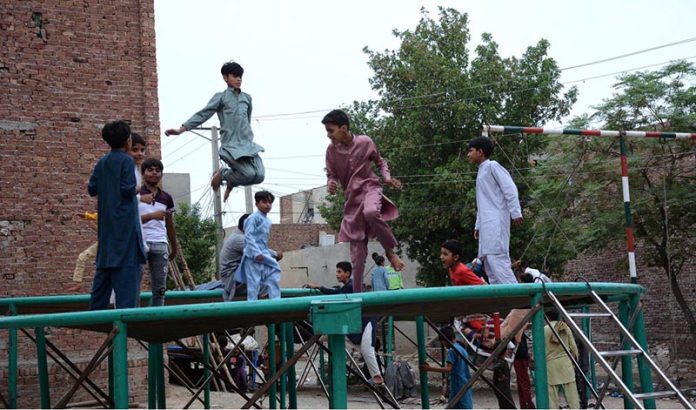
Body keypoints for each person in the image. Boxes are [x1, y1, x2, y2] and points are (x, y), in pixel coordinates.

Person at [322, 109, 404, 293]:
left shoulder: (365, 142)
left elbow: (380, 162)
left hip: (370, 189)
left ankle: (390, 252)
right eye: (327, 131)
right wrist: (332, 183)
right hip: (351, 200)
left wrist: (387, 177)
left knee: (371, 212)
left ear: (344, 128)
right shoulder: (331, 151)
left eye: (331, 131)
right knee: (357, 255)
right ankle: (358, 300)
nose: (329, 136)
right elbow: (331, 174)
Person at [165, 61, 264, 202]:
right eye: (235, 76)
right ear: (225, 77)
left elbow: (247, 120)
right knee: (248, 174)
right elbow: (203, 114)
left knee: (259, 176)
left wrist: (248, 138)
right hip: (231, 146)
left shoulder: (247, 98)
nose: (238, 79)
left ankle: (230, 181)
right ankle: (223, 174)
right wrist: (182, 129)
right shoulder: (221, 97)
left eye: (240, 76)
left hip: (248, 145)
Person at [68, 133, 151, 294]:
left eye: (142, 150)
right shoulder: (124, 165)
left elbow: (95, 190)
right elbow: (124, 193)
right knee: (122, 278)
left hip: (119, 231)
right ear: (127, 145)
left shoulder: (110, 164)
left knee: (109, 275)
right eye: (135, 150)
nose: (139, 153)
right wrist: (139, 194)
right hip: (122, 232)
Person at [87, 120, 146, 309]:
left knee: (103, 275)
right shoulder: (126, 161)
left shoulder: (102, 162)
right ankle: (123, 327)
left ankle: (97, 317)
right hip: (125, 227)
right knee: (128, 287)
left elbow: (92, 189)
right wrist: (140, 188)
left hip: (106, 229)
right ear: (128, 140)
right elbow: (127, 189)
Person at [306, 262, 383, 385]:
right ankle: (376, 376)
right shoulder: (347, 286)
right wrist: (321, 288)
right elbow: (337, 292)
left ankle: (377, 376)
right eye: (337, 271)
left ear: (347, 273)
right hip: (359, 322)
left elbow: (337, 294)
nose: (337, 274)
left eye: (339, 272)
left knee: (367, 349)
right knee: (358, 344)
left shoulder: (351, 286)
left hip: (368, 320)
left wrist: (320, 287)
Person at [467, 136, 523, 285]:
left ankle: (519, 301)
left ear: (480, 152)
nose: (468, 154)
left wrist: (515, 212)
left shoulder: (493, 166)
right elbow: (482, 203)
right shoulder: (481, 172)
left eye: (471, 151)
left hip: (495, 222)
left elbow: (510, 188)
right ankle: (504, 305)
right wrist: (478, 226)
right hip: (486, 224)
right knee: (489, 265)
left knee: (497, 260)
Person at [138, 158, 177, 307]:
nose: (154, 172)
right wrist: (151, 216)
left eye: (157, 170)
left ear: (161, 174)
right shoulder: (137, 195)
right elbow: (130, 221)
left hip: (160, 243)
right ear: (143, 174)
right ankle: (133, 317)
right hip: (140, 242)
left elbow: (169, 224)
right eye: (150, 170)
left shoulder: (166, 197)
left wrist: (174, 246)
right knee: (135, 283)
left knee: (160, 288)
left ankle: (157, 317)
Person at [219, 213, 282, 301]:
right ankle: (266, 310)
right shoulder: (238, 239)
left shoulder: (237, 236)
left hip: (236, 277)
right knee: (266, 281)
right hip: (232, 281)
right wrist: (276, 254)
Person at [234, 191, 281, 300]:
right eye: (264, 202)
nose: (268, 205)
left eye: (270, 202)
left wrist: (264, 253)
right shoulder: (252, 218)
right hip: (253, 255)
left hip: (263, 253)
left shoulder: (268, 221)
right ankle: (252, 307)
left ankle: (276, 302)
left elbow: (263, 241)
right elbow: (249, 236)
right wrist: (256, 253)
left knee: (274, 271)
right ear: (257, 203)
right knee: (254, 283)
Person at [419, 326, 474, 409]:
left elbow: (448, 368)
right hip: (465, 382)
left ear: (446, 340)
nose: (443, 345)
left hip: (457, 384)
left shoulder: (452, 351)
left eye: (443, 342)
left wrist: (429, 368)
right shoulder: (461, 349)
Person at [545, 310, 580, 409]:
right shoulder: (565, 328)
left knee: (552, 395)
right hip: (566, 363)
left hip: (551, 364)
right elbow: (573, 347)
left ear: (547, 317)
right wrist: (575, 361)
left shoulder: (544, 329)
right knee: (572, 393)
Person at [513, 332, 536, 409]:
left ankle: (524, 404)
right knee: (525, 383)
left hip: (520, 357)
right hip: (520, 357)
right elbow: (518, 339)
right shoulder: (518, 326)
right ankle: (529, 404)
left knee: (521, 383)